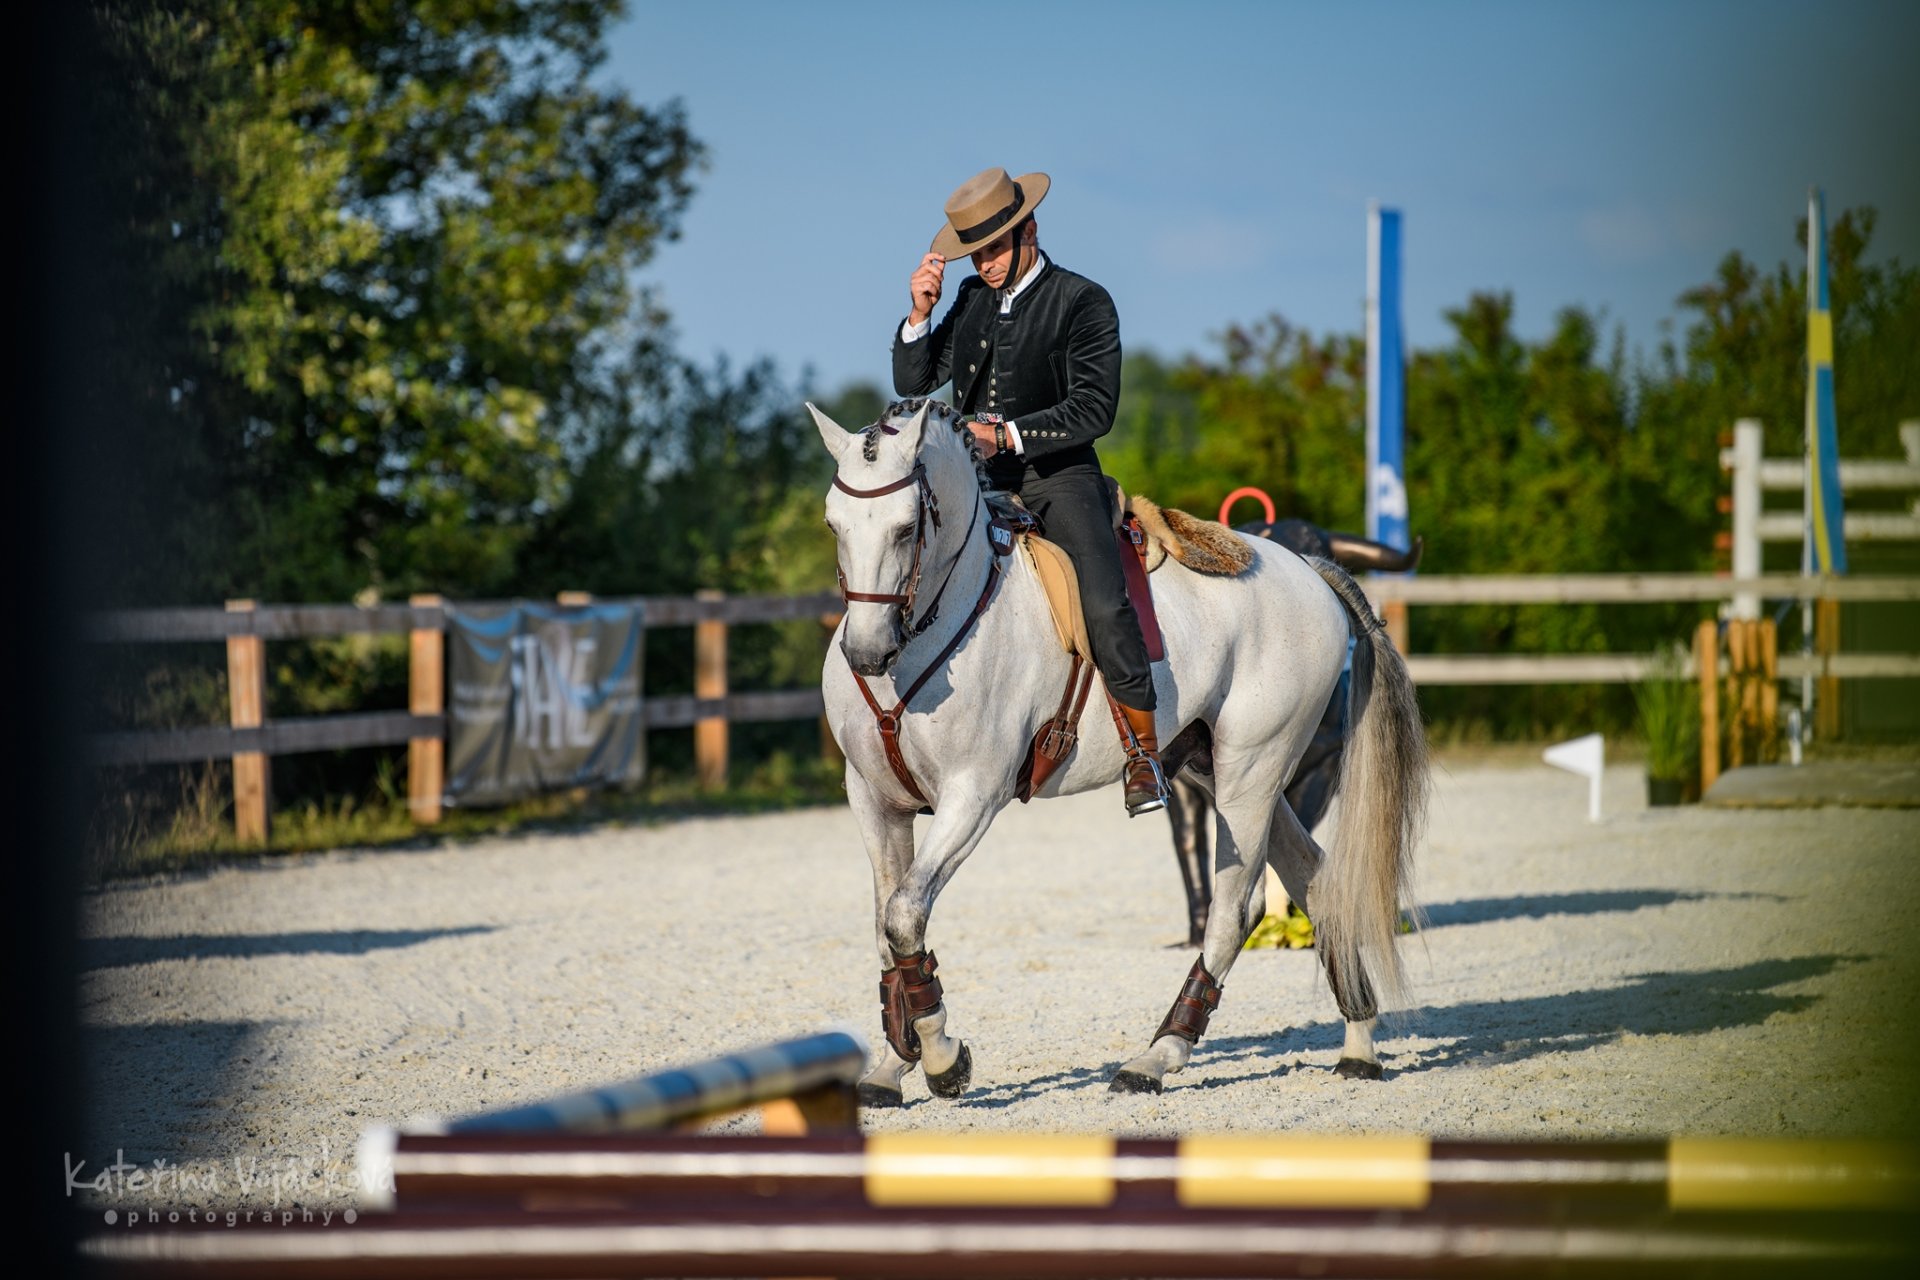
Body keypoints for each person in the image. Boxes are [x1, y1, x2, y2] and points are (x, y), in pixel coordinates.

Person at [892, 167, 1166, 816]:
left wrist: (1007, 436)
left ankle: (1144, 754)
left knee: (1101, 600)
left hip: (1059, 476)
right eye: (973, 253)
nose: (983, 264)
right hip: (979, 482)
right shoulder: (965, 299)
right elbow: (914, 383)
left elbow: (1094, 410)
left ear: (1029, 230)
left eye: (992, 249)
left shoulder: (1084, 301)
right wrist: (919, 314)